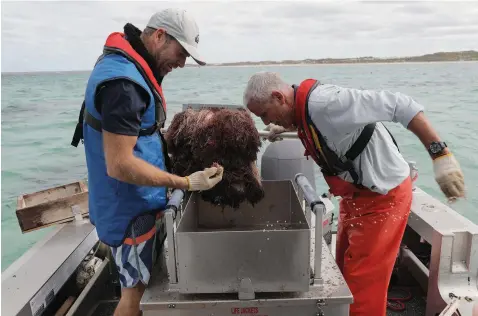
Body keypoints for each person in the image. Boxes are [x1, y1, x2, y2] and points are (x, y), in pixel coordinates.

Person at [243, 71, 465, 315]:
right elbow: (329, 134)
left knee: (362, 284)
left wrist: (440, 154)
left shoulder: (328, 104)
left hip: (384, 198)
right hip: (355, 197)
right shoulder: (303, 112)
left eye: (264, 114)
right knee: (344, 273)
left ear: (278, 97)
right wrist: (292, 128)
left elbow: (401, 104)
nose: (264, 123)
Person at [71, 8, 224, 316]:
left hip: (133, 203)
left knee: (138, 290)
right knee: (134, 298)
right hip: (128, 210)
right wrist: (184, 182)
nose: (181, 63)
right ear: (159, 36)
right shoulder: (124, 85)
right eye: (181, 53)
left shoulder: (126, 68)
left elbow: (138, 135)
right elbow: (120, 164)